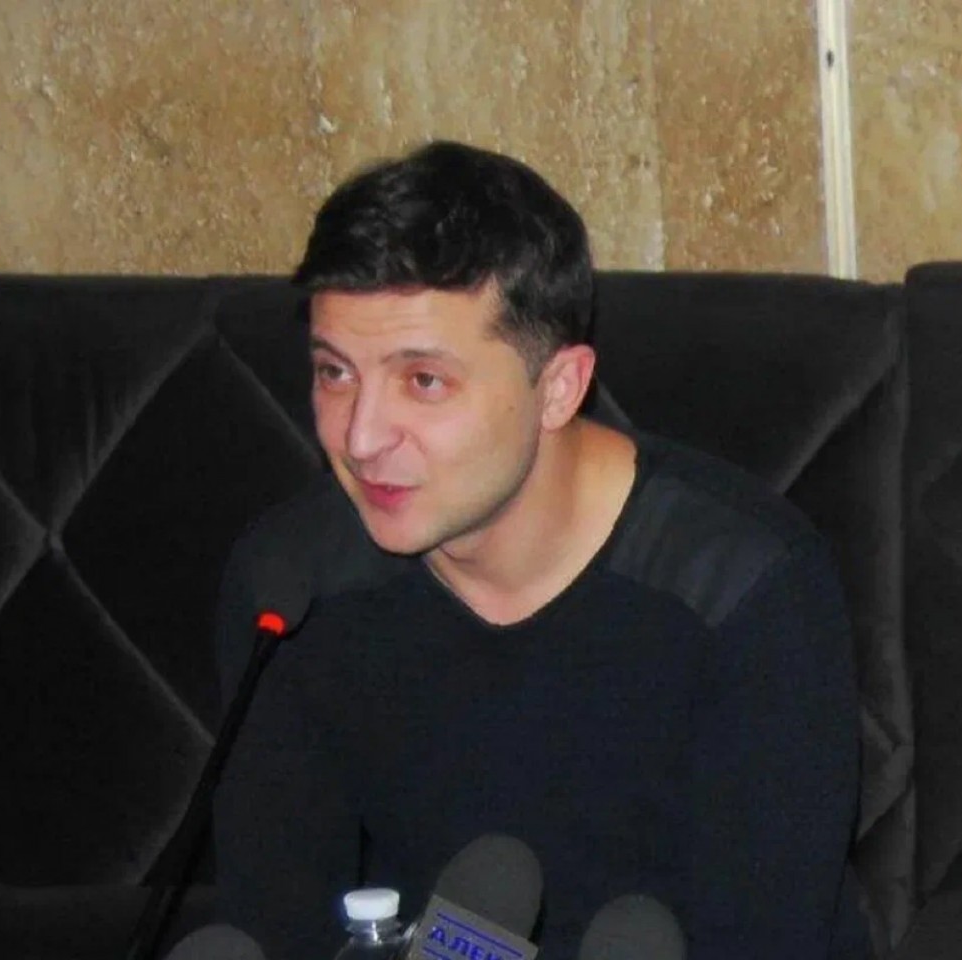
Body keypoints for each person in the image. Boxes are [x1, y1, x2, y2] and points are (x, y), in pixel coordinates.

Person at [211, 141, 868, 960]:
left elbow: (768, 940)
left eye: (423, 381)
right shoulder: (293, 586)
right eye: (335, 373)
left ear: (558, 387)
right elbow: (278, 923)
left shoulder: (743, 590)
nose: (362, 436)